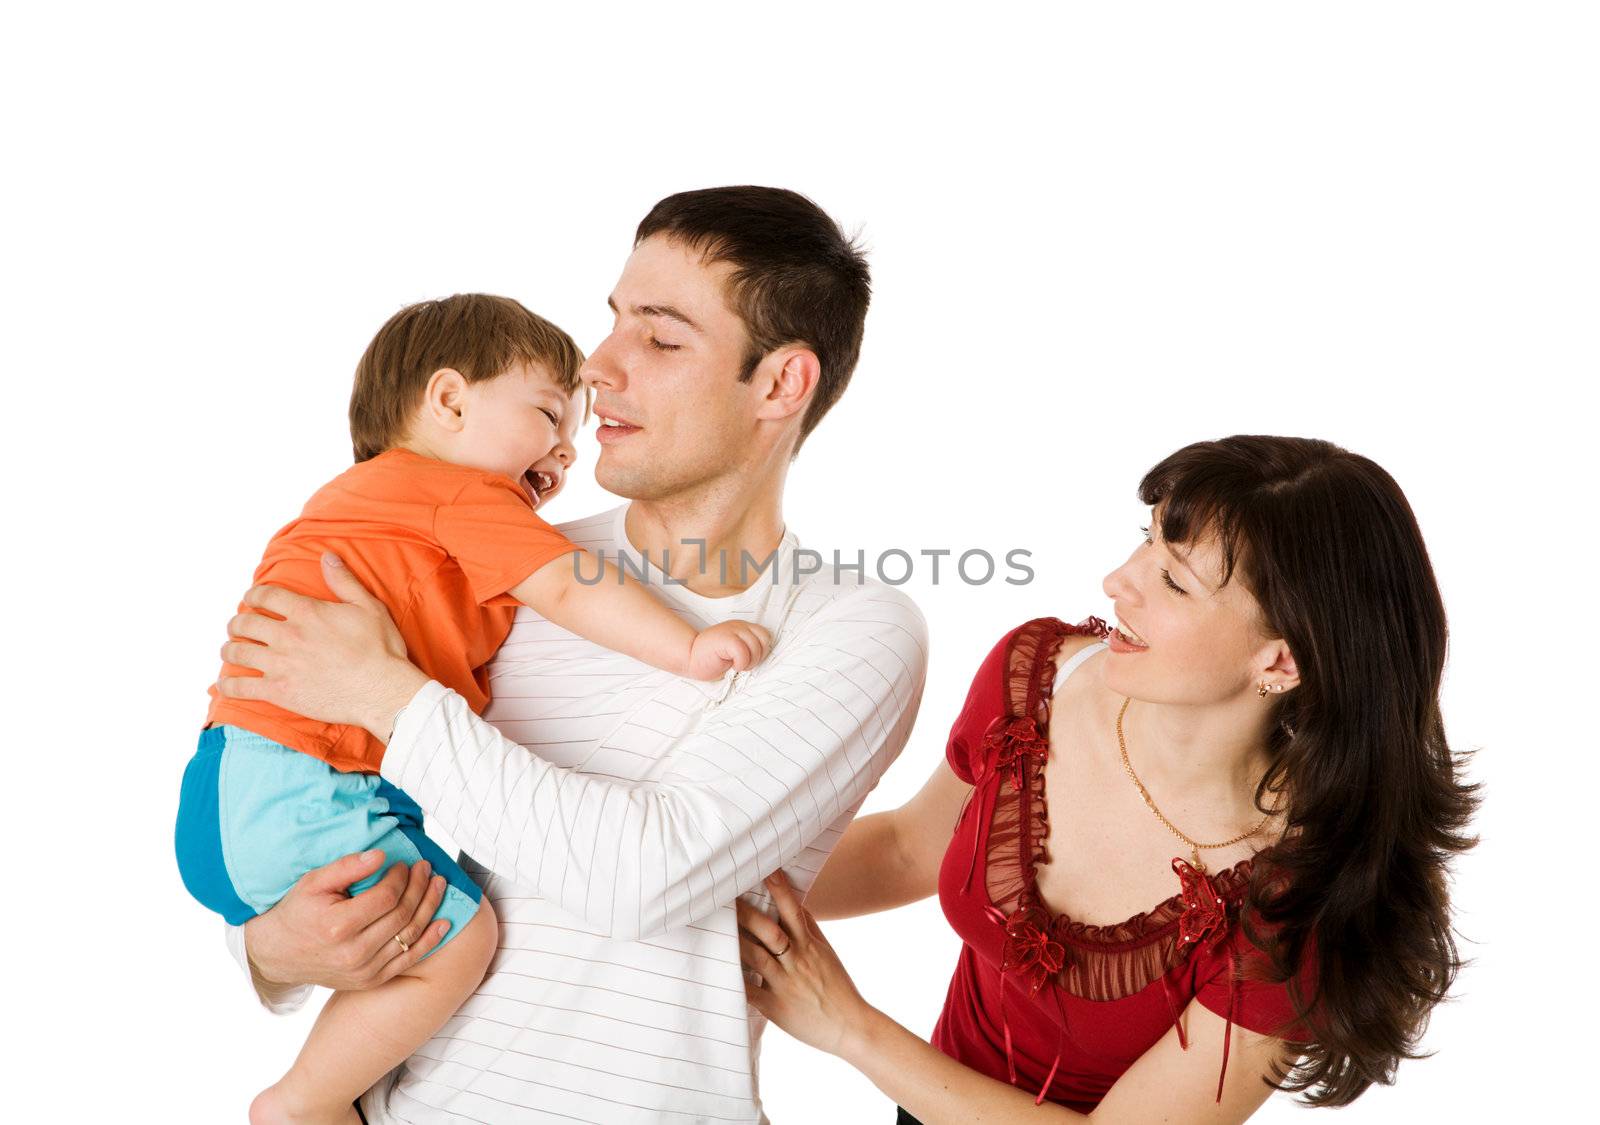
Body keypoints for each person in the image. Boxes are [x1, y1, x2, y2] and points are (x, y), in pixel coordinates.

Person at [211, 187, 930, 1123]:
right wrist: (270, 948)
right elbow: (307, 777)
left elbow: (645, 878)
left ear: (781, 384)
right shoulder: (487, 562)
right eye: (613, 323)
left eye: (661, 339)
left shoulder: (849, 626)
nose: (597, 369)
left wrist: (386, 691)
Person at [737, 435, 1478, 1123]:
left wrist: (846, 1025)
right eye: (1144, 539)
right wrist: (714, 883)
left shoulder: (1303, 897)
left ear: (1279, 662)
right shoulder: (1033, 680)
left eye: (1174, 581)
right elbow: (907, 849)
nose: (1118, 581)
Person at [177, 294, 773, 1123]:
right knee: (458, 943)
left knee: (408, 930)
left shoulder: (358, 502)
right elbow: (566, 582)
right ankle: (307, 1101)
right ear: (451, 401)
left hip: (232, 787)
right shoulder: (454, 497)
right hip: (309, 777)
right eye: (547, 414)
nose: (566, 449)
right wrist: (685, 646)